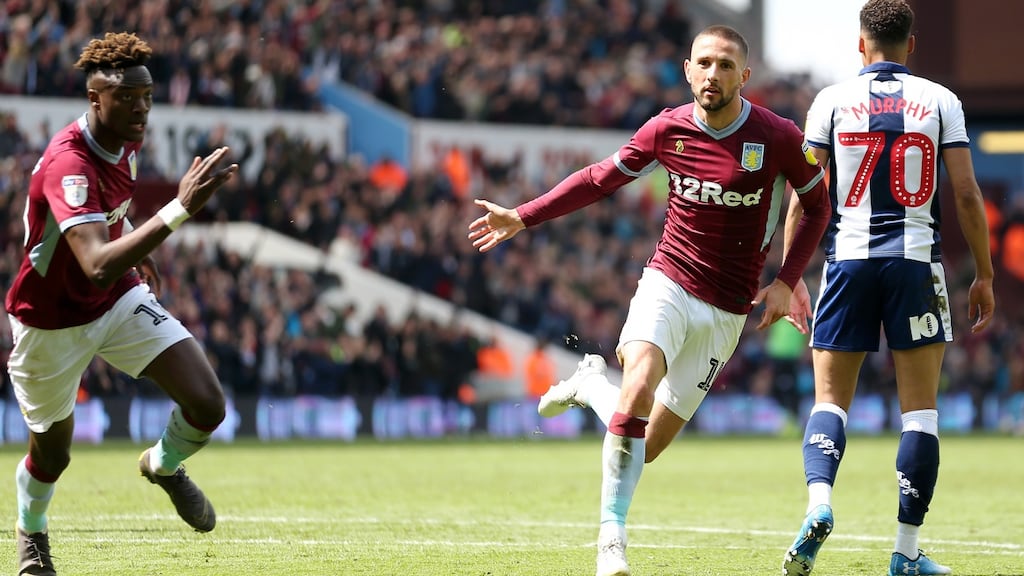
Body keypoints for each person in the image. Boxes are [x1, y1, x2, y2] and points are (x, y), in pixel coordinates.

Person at [468, 25, 831, 576]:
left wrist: (787, 279)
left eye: (726, 65)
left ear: (745, 76)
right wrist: (523, 215)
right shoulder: (667, 129)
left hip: (728, 310)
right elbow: (598, 179)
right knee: (637, 386)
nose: (713, 74)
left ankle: (589, 384)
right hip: (668, 280)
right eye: (704, 63)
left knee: (645, 445)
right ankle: (611, 541)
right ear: (687, 69)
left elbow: (817, 203)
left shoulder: (776, 136)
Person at [5, 32, 238, 575]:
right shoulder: (70, 165)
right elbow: (96, 260)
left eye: (147, 97)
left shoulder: (125, 143)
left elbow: (112, 231)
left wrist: (134, 238)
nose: (141, 109)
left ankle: (162, 464)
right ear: (95, 100)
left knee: (207, 403)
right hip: (50, 321)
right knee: (53, 455)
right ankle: (31, 532)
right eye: (128, 98)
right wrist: (177, 211)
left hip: (114, 299)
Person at [779, 2, 995, 575]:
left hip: (846, 263)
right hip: (915, 264)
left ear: (860, 44)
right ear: (912, 45)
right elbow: (968, 194)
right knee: (920, 414)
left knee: (830, 402)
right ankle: (904, 550)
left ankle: (819, 504)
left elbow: (804, 195)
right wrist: (985, 273)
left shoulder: (828, 102)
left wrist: (789, 274)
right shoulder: (942, 101)